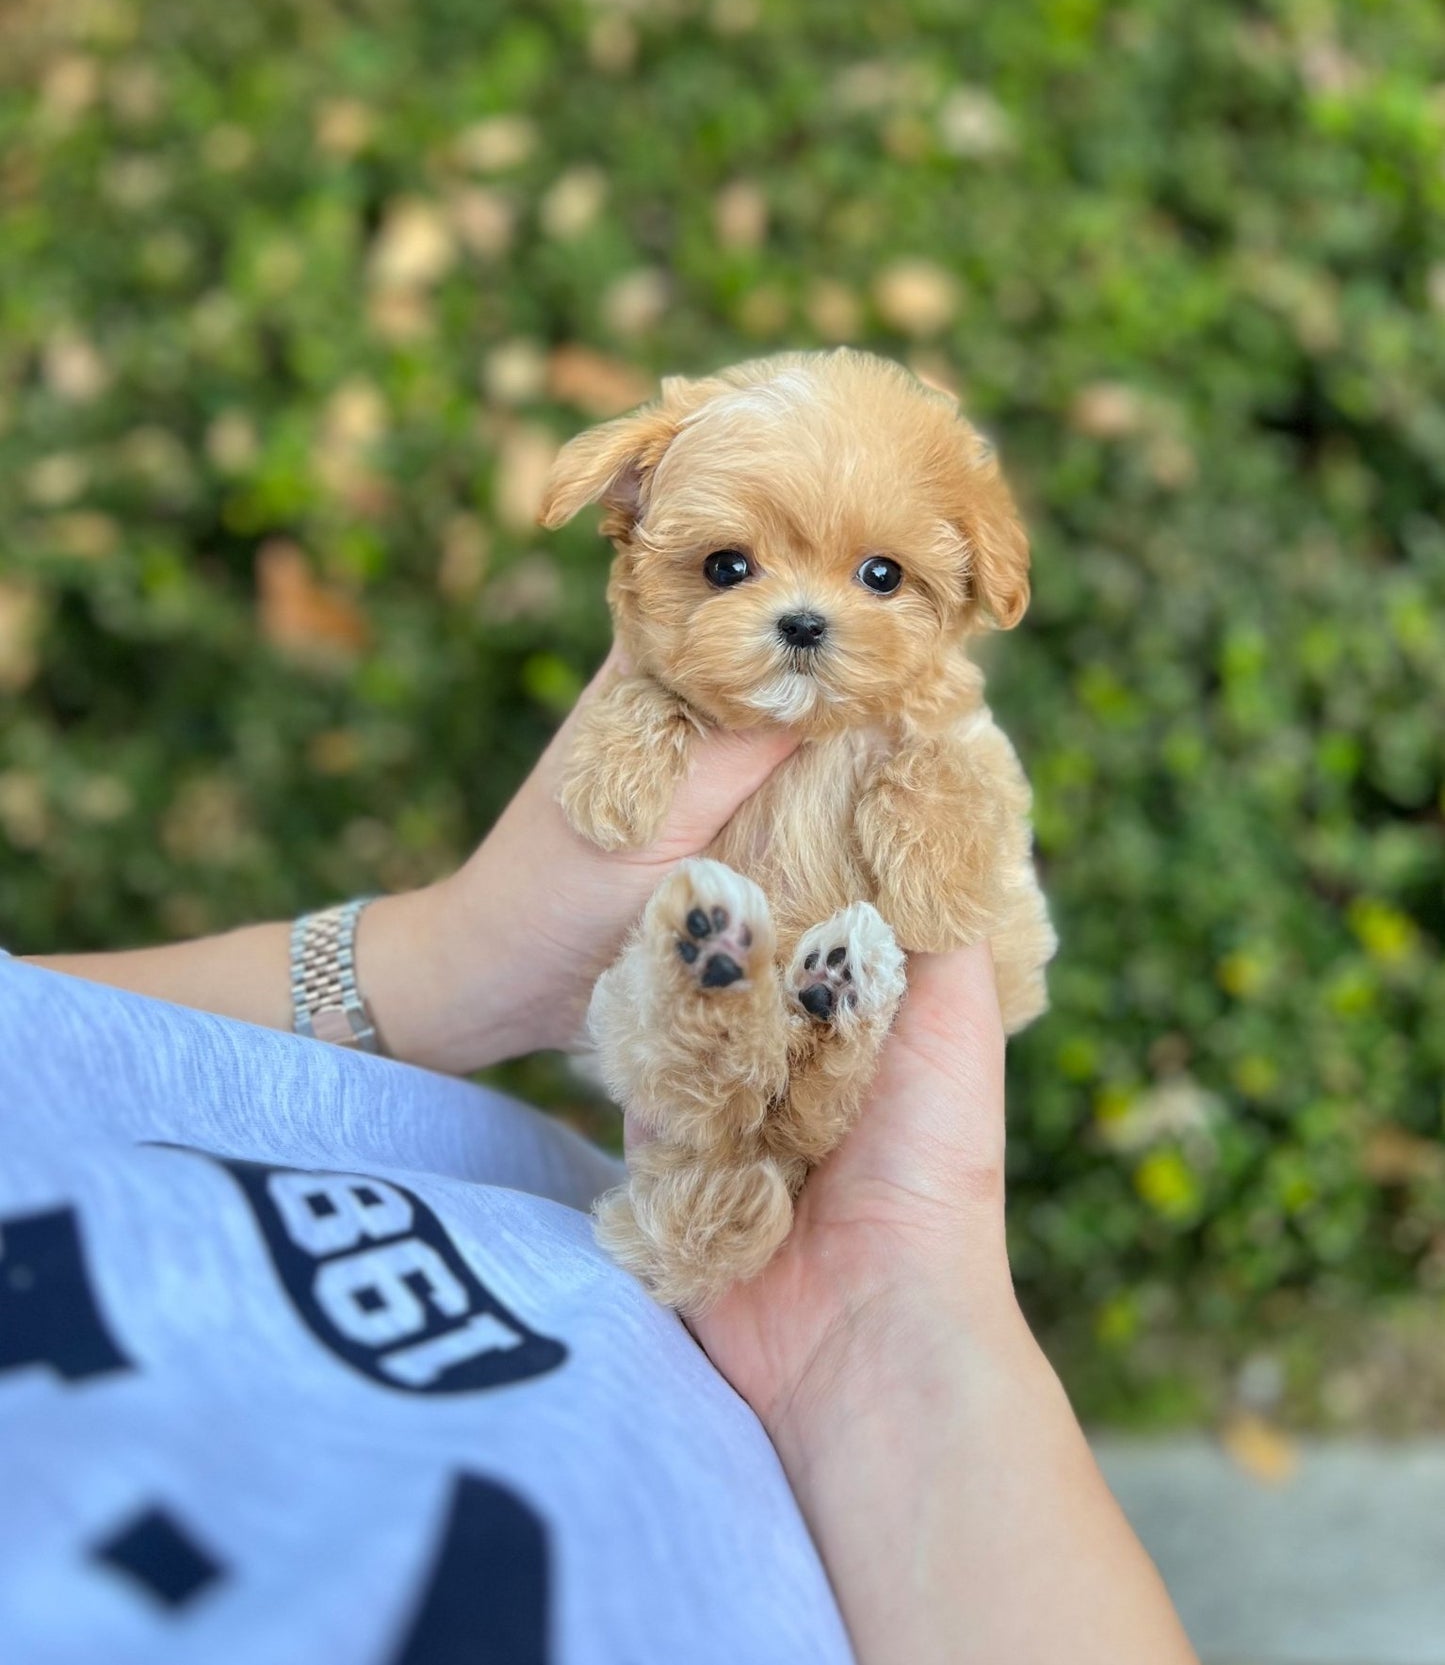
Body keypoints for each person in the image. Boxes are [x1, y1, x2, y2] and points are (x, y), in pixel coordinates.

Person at [9, 653, 1197, 1664]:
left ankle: (777, 1023)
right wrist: (879, 1311)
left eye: (880, 574)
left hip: (767, 1301)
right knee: (698, 1006)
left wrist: (441, 966)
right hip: (771, 1334)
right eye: (729, 565)